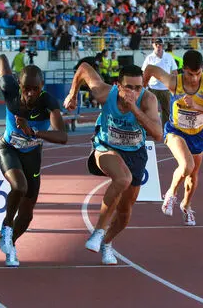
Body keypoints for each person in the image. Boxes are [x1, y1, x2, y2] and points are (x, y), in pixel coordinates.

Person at [63, 63, 162, 265]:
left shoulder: (148, 100)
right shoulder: (104, 93)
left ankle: (107, 242)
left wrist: (134, 108)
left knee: (125, 213)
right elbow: (83, 68)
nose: (134, 92)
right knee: (122, 178)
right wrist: (72, 94)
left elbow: (158, 134)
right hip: (105, 147)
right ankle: (98, 231)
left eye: (138, 87)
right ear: (118, 85)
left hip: (135, 153)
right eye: (129, 87)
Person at [0, 54, 68, 266]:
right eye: (26, 88)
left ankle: (11, 244)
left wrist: (34, 132)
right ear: (19, 84)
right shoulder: (9, 88)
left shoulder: (48, 103)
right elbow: (1, 59)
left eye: (35, 89)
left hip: (32, 155)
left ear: (42, 86)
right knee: (19, 186)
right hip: (7, 148)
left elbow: (62, 136)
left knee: (26, 216)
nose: (30, 93)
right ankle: (6, 227)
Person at [144, 50, 203, 226]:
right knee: (187, 165)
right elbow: (150, 69)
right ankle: (171, 194)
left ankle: (186, 206)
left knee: (193, 176)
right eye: (190, 74)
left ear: (202, 70)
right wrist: (142, 92)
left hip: (197, 134)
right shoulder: (174, 82)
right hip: (175, 131)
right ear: (183, 70)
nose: (194, 79)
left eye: (197, 74)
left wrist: (197, 106)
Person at [142, 38, 178, 126]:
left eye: (160, 44)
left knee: (166, 110)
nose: (158, 46)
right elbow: (144, 72)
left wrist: (173, 84)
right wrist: (144, 86)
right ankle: (150, 128)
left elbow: (174, 71)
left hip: (165, 88)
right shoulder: (149, 57)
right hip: (152, 88)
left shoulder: (169, 57)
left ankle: (165, 128)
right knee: (149, 109)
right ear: (153, 45)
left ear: (163, 45)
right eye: (156, 44)